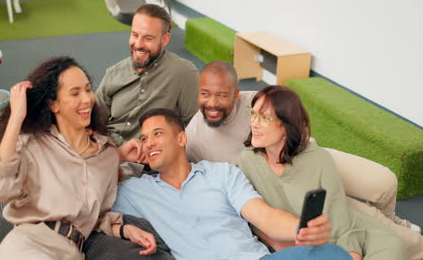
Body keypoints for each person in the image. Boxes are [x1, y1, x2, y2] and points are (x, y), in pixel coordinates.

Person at [185, 61, 422, 258]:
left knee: (383, 184)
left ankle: (395, 224)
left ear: (235, 94)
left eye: (221, 95)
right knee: (367, 220)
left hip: (301, 154)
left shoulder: (259, 100)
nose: (212, 103)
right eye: (205, 94)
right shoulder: (198, 138)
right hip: (280, 187)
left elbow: (336, 212)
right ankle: (406, 238)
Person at [112, 108, 352, 260]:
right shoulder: (135, 190)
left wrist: (302, 229)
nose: (149, 143)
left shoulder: (221, 173)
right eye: (143, 139)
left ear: (181, 138)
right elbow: (82, 186)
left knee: (334, 254)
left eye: (157, 134)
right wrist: (119, 156)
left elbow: (264, 217)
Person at [0, 56, 157, 259]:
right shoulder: (33, 143)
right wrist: (16, 117)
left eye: (88, 89)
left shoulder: (108, 155)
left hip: (72, 251)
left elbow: (95, 215)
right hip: (30, 245)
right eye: (75, 93)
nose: (86, 99)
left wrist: (125, 230)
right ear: (54, 105)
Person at [238, 85, 411, 260]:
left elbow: (340, 221)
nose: (254, 123)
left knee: (394, 247)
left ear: (286, 125)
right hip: (303, 244)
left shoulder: (319, 159)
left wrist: (350, 255)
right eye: (253, 114)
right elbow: (253, 217)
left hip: (349, 232)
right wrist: (281, 245)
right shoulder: (247, 159)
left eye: (265, 117)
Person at [95, 3, 199, 147]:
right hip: (110, 153)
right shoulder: (113, 74)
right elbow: (94, 122)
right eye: (135, 35)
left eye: (148, 38)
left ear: (165, 39)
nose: (138, 44)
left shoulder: (183, 72)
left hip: (154, 161)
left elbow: (193, 128)